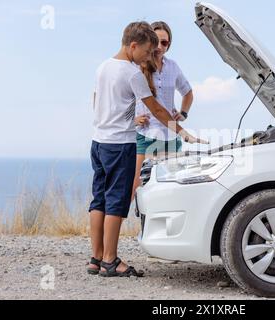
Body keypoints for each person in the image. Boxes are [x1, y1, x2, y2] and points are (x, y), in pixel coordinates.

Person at [87, 21, 206, 277]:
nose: (148, 56)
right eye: (146, 50)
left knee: (99, 199)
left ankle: (95, 259)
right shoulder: (132, 73)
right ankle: (110, 261)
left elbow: (96, 100)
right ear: (133, 46)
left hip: (98, 142)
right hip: (120, 145)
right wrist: (183, 132)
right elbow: (157, 109)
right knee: (116, 203)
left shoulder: (103, 67)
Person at [132, 21, 193, 196]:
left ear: (169, 44)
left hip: (171, 135)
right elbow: (123, 98)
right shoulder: (137, 66)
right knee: (137, 187)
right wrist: (133, 119)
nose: (160, 46)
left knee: (171, 189)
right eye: (156, 41)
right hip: (145, 135)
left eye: (164, 42)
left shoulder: (173, 67)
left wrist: (183, 113)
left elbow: (188, 92)